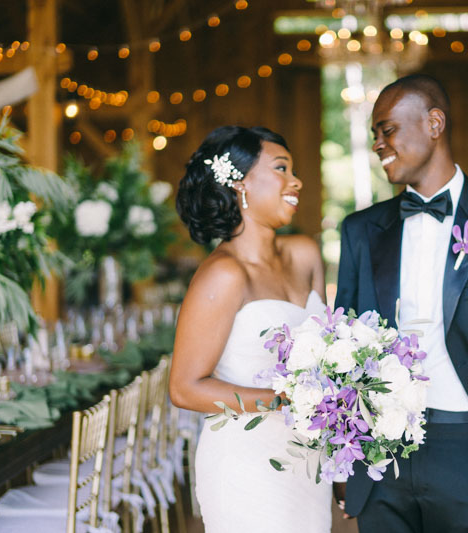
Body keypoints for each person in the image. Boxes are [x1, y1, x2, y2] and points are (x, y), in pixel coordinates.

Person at [334, 74, 468, 532]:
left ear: (434, 123)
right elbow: (344, 348)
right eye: (375, 134)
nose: (378, 143)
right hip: (382, 458)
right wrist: (346, 456)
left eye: (387, 129)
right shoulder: (359, 231)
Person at [169, 125, 331, 532]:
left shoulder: (306, 254)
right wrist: (285, 400)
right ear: (240, 183)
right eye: (281, 168)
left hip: (308, 459)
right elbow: (184, 388)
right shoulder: (223, 275)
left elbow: (329, 352)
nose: (296, 181)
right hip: (245, 465)